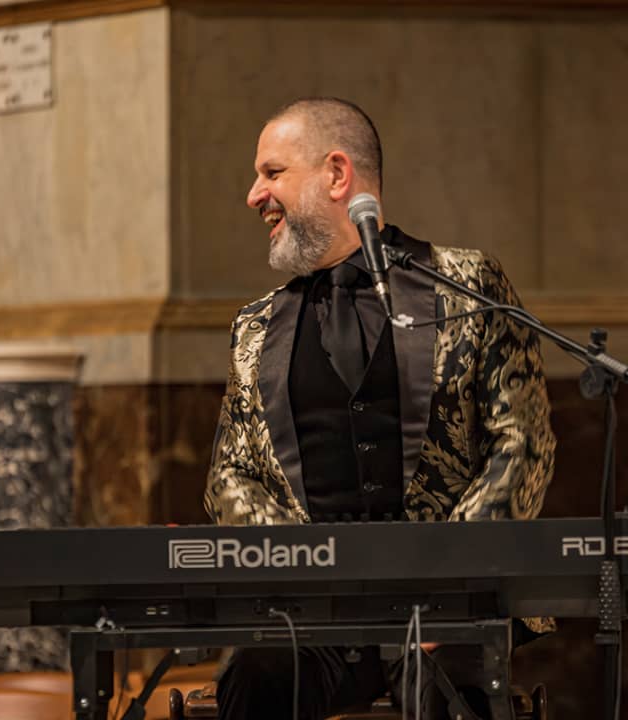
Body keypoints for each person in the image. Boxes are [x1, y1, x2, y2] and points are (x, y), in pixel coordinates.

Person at [204, 97, 556, 719]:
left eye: (272, 172)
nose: (254, 194)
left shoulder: (468, 285)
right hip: (314, 615)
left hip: (446, 602)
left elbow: (522, 442)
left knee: (452, 681)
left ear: (337, 175)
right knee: (260, 671)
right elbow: (229, 474)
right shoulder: (254, 326)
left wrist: (453, 579)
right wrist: (303, 569)